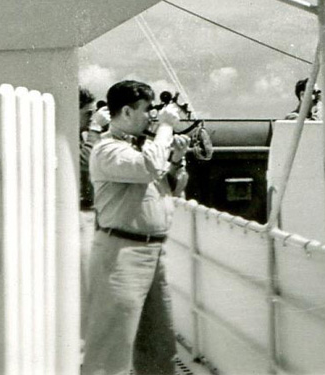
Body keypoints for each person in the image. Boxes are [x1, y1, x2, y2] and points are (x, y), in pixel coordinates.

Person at [82, 80, 190, 375]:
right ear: (127, 111)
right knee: (111, 345)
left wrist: (177, 162)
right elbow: (147, 169)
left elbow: (167, 187)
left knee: (158, 344)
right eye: (146, 110)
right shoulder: (107, 150)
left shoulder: (141, 148)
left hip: (151, 253)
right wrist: (167, 127)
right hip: (121, 254)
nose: (151, 117)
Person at [79, 87, 111, 342]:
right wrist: (95, 130)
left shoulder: (85, 134)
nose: (91, 118)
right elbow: (85, 164)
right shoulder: (81, 136)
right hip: (80, 218)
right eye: (87, 113)